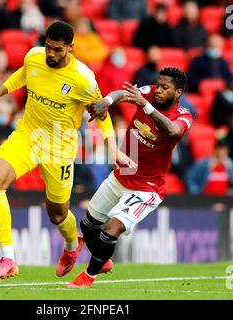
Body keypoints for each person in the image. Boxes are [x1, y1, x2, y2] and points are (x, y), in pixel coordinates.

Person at [0, 21, 135, 281]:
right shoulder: (35, 56)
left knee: (57, 213)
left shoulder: (83, 79)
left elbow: (102, 113)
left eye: (57, 50)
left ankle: (73, 247)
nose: (51, 54)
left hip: (59, 148)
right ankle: (8, 259)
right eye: (48, 47)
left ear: (71, 48)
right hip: (27, 135)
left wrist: (113, 148)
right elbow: (24, 73)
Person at [67, 67, 193, 288]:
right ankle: (103, 260)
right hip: (121, 175)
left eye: (165, 88)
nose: (159, 90)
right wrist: (106, 101)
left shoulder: (183, 115)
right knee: (88, 226)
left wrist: (146, 106)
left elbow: (173, 131)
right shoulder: (149, 92)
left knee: (111, 230)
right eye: (159, 85)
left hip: (146, 187)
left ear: (178, 93)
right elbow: (122, 94)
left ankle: (88, 276)